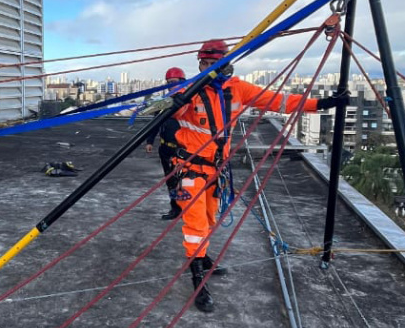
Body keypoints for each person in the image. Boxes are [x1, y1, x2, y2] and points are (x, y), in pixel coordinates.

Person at [171, 40, 346, 312]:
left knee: (208, 218)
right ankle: (198, 282)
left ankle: (203, 259)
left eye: (212, 63)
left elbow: (279, 101)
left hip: (215, 170)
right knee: (195, 227)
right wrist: (174, 101)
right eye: (204, 64)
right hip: (192, 169)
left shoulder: (238, 89)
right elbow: (170, 107)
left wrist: (322, 103)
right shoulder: (190, 90)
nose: (208, 68)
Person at [145, 67, 186, 220]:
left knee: (184, 182)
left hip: (182, 150)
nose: (170, 85)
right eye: (168, 82)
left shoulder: (187, 101)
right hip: (165, 149)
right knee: (170, 181)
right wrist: (150, 141)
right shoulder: (164, 102)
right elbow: (155, 123)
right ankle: (175, 208)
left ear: (182, 82)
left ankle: (187, 208)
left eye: (173, 82)